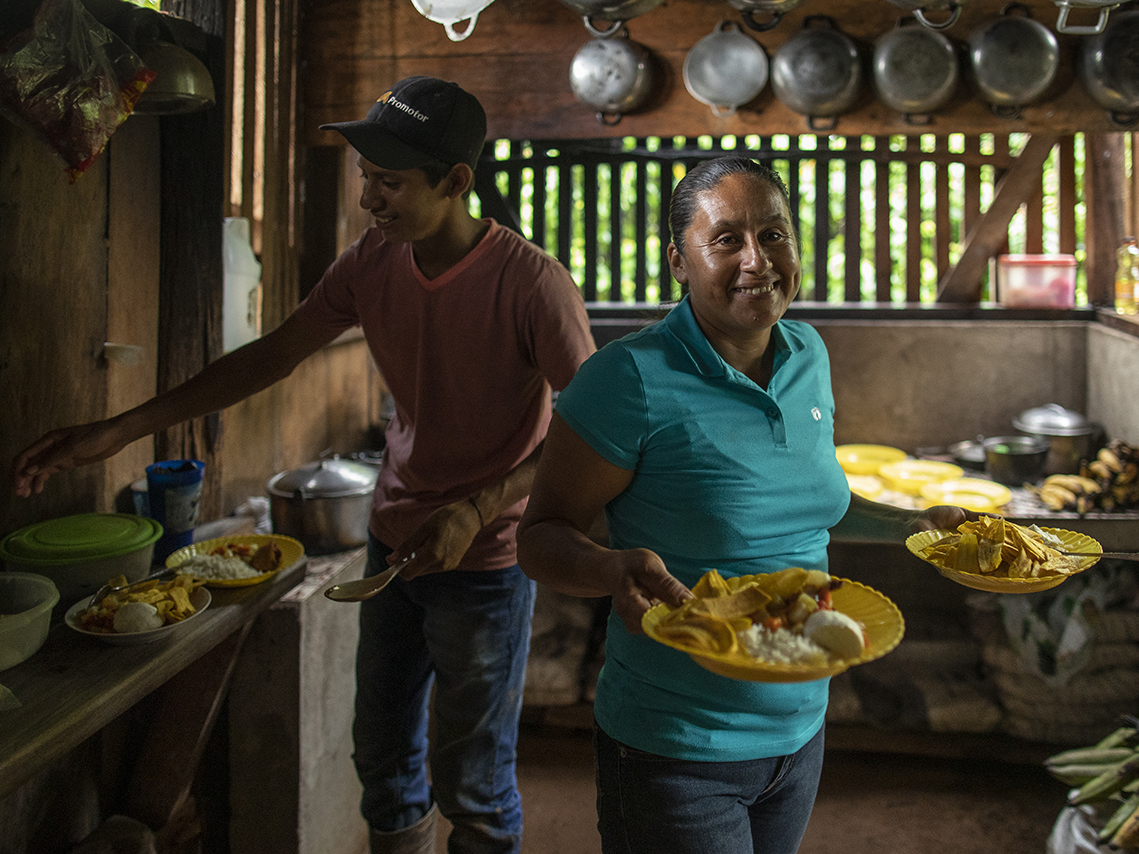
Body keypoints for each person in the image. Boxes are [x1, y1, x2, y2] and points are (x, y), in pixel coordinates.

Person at [11, 76, 596, 854]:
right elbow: (273, 355)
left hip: (484, 563)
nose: (368, 199)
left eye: (389, 182)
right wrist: (121, 428)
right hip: (392, 542)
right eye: (365, 177)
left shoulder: (531, 283)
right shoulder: (371, 264)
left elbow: (590, 428)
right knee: (382, 759)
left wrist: (482, 506)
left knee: (475, 781)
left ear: (455, 182)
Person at [515, 155, 971, 854]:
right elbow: (540, 536)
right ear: (678, 260)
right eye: (727, 239)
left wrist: (913, 527)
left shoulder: (807, 354)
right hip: (677, 746)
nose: (758, 259)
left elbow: (821, 505)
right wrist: (609, 571)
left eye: (775, 234)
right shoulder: (628, 379)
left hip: (799, 731)